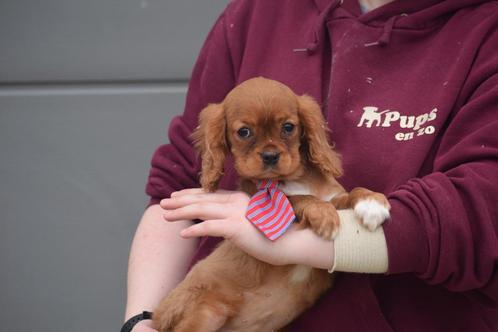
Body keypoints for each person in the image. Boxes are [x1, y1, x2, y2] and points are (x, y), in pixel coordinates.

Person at [124, 0, 498, 330]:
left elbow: (479, 208)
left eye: (288, 129)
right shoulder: (256, 12)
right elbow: (176, 188)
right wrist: (142, 321)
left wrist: (291, 236)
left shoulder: (486, 29)